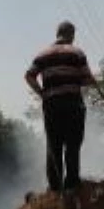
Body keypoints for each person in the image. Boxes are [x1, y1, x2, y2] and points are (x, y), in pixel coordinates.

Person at [25, 21, 97, 193]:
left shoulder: (42, 55)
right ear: (71, 34)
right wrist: (93, 81)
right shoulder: (76, 53)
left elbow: (29, 76)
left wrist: (42, 93)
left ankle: (55, 188)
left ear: (57, 34)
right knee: (72, 144)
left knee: (54, 145)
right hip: (73, 104)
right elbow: (87, 78)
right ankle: (71, 185)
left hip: (51, 105)